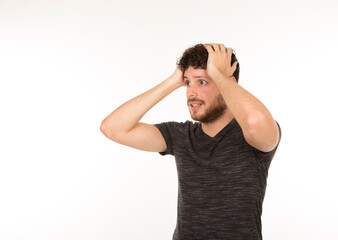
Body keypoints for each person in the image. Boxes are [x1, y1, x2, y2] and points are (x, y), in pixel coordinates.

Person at [100, 43, 281, 240]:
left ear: (227, 83)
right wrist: (173, 81)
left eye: (202, 82)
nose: (190, 93)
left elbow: (255, 121)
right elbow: (112, 128)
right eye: (187, 83)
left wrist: (219, 76)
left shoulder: (252, 136)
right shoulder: (179, 135)